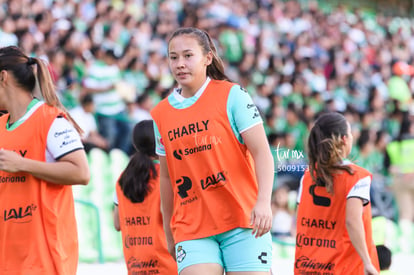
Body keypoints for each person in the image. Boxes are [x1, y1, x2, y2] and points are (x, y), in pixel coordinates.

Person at [151, 27, 274, 275]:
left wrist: (263, 202)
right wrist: (168, 230)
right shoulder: (160, 114)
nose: (180, 64)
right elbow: (166, 177)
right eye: (173, 57)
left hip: (244, 220)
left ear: (207, 58)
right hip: (192, 227)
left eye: (188, 55)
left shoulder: (233, 95)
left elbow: (262, 152)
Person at [0, 46, 90, 274]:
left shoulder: (50, 119)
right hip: (9, 258)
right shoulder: (1, 126)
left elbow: (81, 172)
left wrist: (22, 164)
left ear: (3, 77)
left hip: (44, 259)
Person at [294, 112, 379, 275]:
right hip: (345, 267)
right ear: (344, 140)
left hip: (308, 266)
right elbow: (352, 222)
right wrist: (367, 263)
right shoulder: (357, 177)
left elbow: (300, 220)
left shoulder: (307, 176)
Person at [113, 120, 177, 275]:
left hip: (135, 266)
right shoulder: (166, 176)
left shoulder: (123, 178)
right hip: (168, 264)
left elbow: (117, 224)